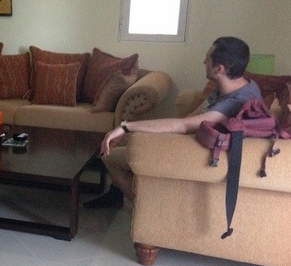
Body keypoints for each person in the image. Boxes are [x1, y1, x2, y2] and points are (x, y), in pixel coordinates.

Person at [85, 36, 262, 209]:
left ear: (219, 69)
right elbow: (187, 120)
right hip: (193, 142)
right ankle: (119, 195)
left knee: (110, 158)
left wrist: (125, 127)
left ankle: (147, 208)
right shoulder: (239, 85)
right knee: (135, 141)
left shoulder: (234, 103)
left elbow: (184, 126)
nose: (203, 62)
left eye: (207, 59)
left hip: (195, 155)